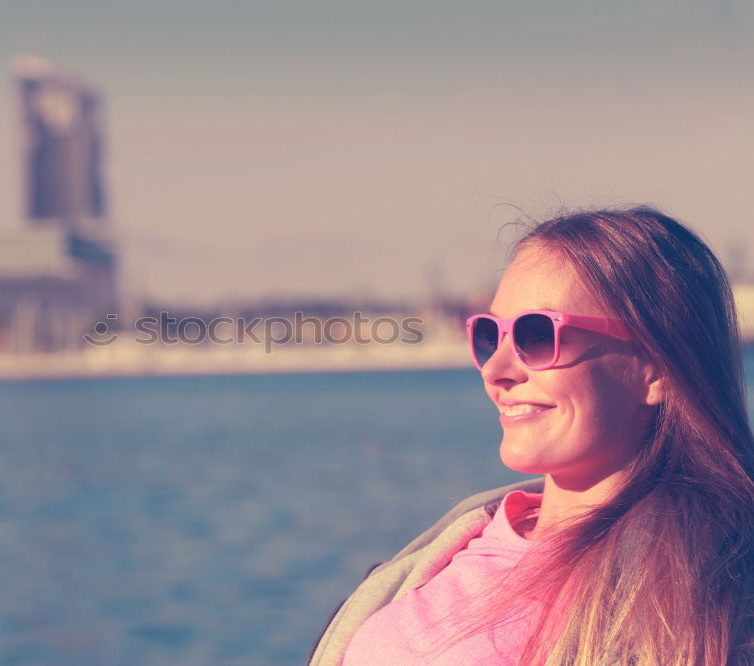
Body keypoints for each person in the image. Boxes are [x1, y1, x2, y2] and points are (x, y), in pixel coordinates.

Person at [308, 206, 754, 665]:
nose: (496, 371)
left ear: (656, 368)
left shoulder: (708, 595)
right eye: (490, 335)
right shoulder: (456, 539)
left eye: (537, 335)